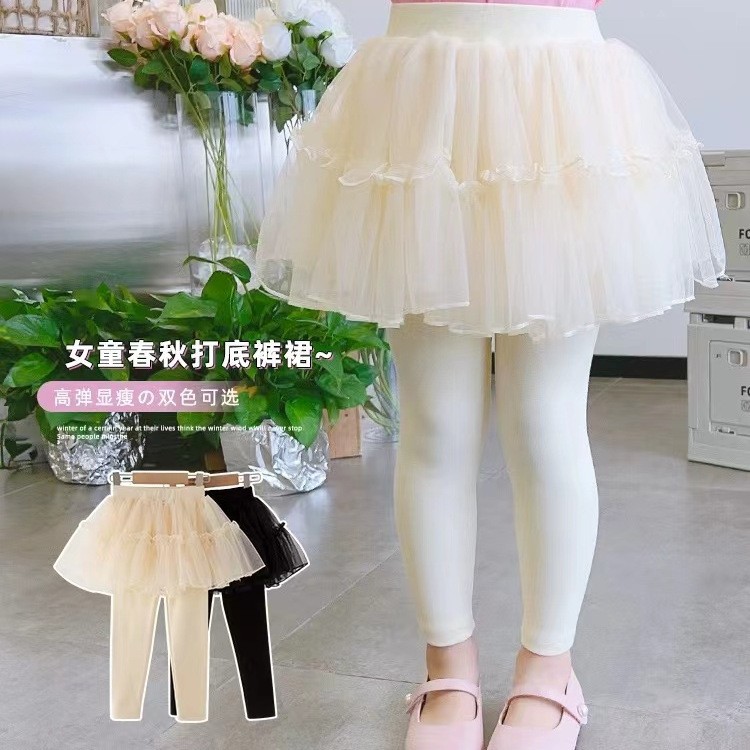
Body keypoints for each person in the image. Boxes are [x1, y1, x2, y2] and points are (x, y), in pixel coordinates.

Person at [254, 2, 726, 748]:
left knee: (545, 421)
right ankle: (448, 664)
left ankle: (550, 669)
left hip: (556, 100)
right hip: (421, 99)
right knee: (436, 424)